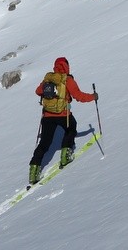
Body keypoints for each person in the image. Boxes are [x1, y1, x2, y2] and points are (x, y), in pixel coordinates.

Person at [28, 56, 98, 185]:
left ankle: (33, 170)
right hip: (63, 114)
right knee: (71, 128)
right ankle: (66, 154)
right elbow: (79, 96)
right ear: (67, 66)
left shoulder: (49, 78)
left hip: (47, 116)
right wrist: (93, 97)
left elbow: (38, 91)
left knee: (44, 143)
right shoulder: (67, 80)